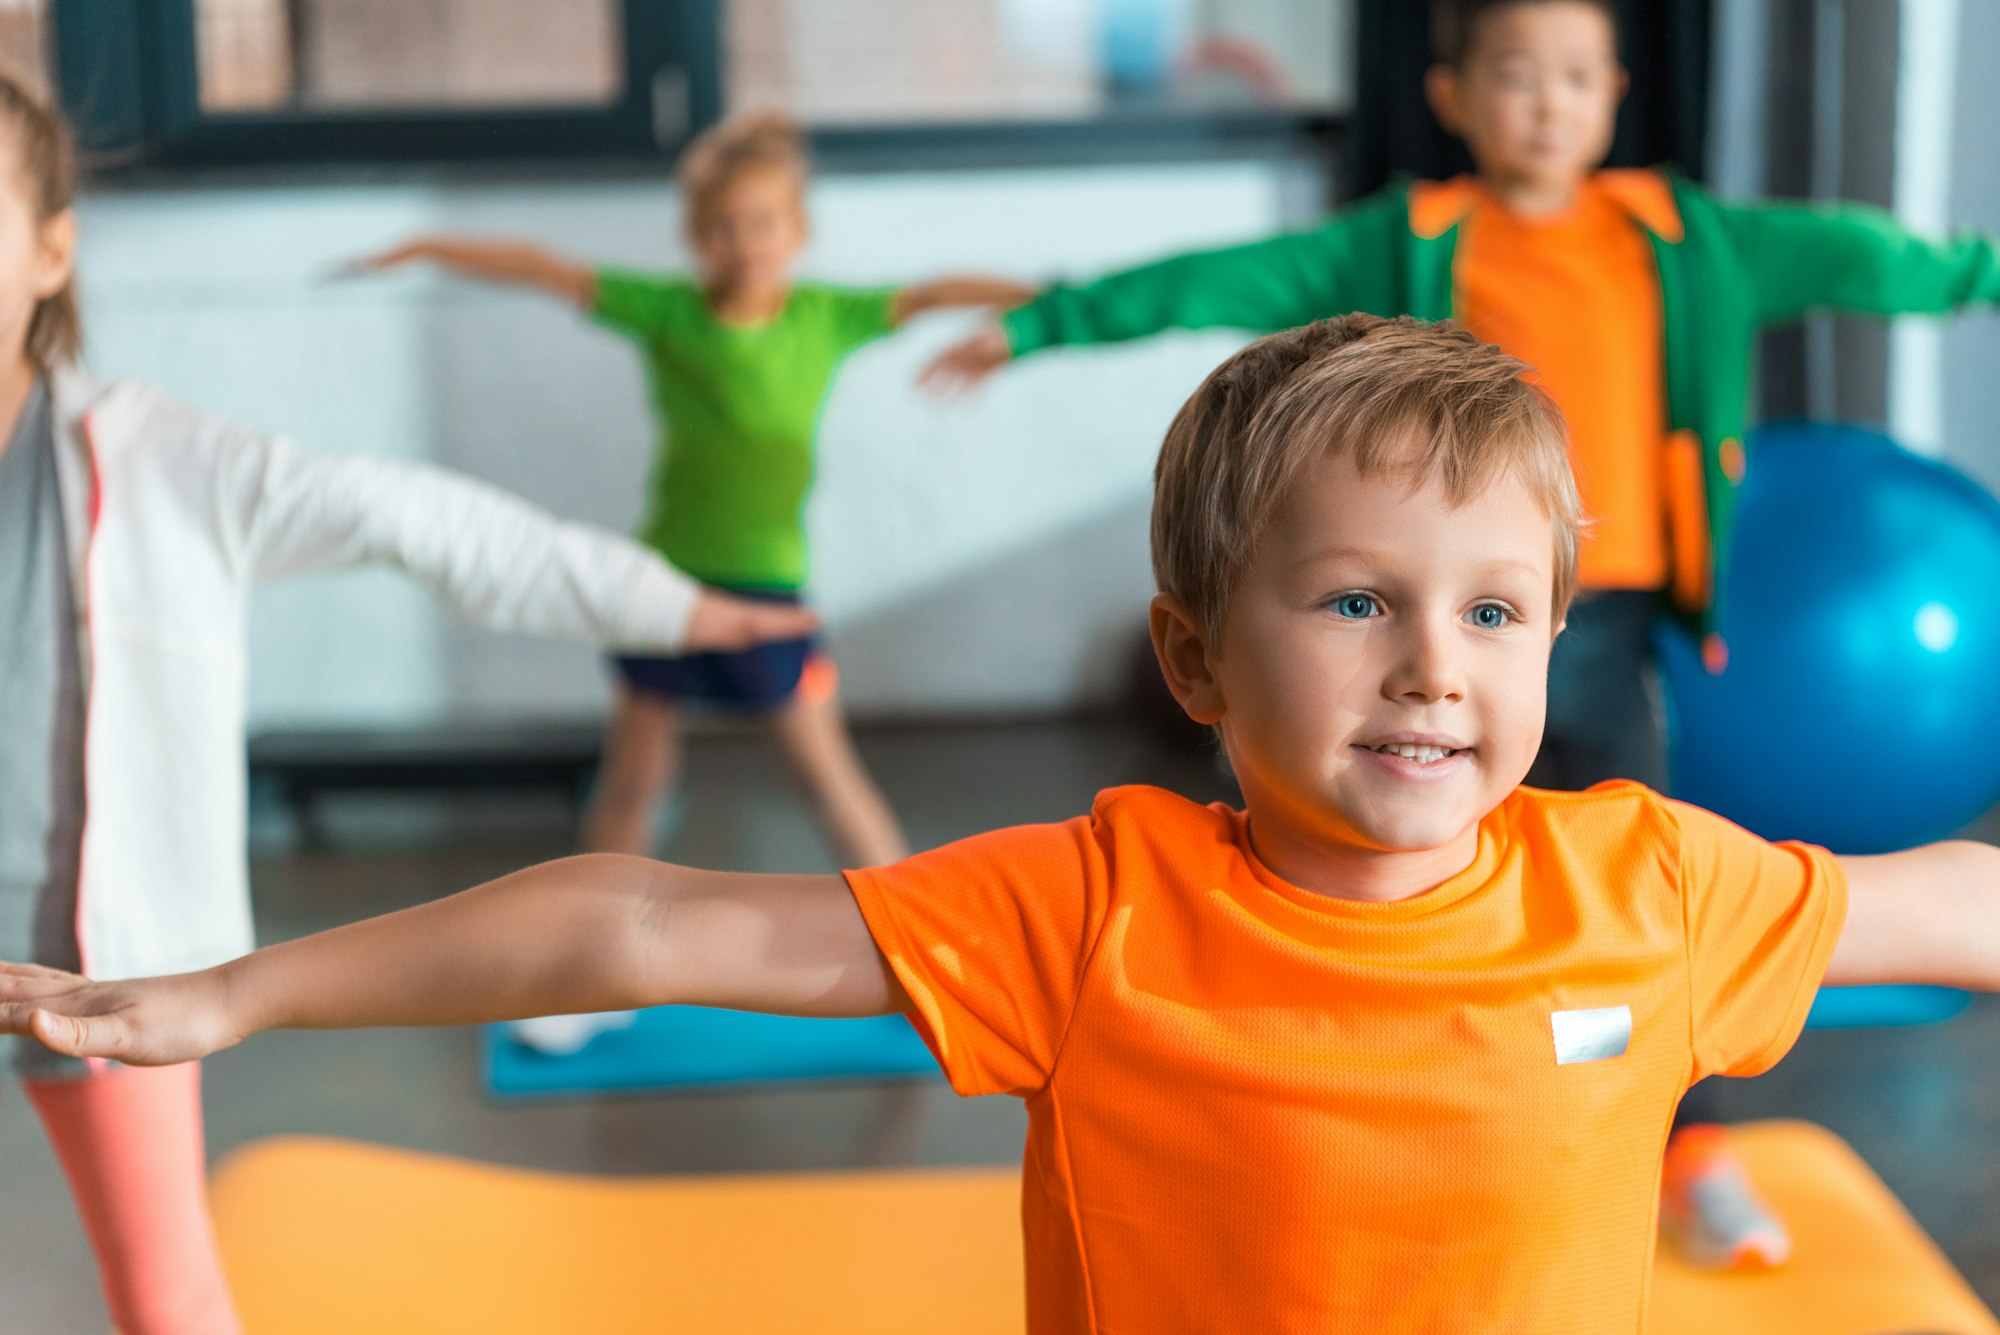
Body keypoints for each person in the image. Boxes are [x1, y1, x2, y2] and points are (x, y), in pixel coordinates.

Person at [12, 315, 2000, 1334]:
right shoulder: (1091, 913)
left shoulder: (1649, 887)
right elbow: (644, 928)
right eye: (1352, 601)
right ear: (1194, 656)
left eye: (1493, 612)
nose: (1430, 666)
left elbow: (1953, 900)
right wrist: (234, 995)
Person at [919, 0, 2000, 1267]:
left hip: (1584, 628)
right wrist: (1042, 323)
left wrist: (1977, 272)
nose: (1546, 104)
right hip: (1408, 630)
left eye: (1576, 78)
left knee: (1638, 911)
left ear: (1613, 96)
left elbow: (1861, 259)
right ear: (1452, 98)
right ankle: (1381, 1125)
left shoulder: (1686, 237)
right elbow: (1222, 281)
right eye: (1515, 76)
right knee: (1406, 889)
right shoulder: (1411, 241)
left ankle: (1686, 1147)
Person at [0, 75, 814, 1335]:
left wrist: (662, 605)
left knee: (164, 1292)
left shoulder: (154, 460)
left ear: (53, 251)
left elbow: (414, 519)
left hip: (96, 961)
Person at [346, 112, 1036, 882]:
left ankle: (914, 931)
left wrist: (1050, 301)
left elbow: (936, 291)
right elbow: (544, 268)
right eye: (722, 226)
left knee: (826, 778)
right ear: (695, 234)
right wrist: (424, 247)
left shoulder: (827, 316)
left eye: (764, 223)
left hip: (770, 589)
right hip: (664, 583)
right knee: (634, 784)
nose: (744, 244)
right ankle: (588, 944)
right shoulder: (669, 312)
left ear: (799, 230)